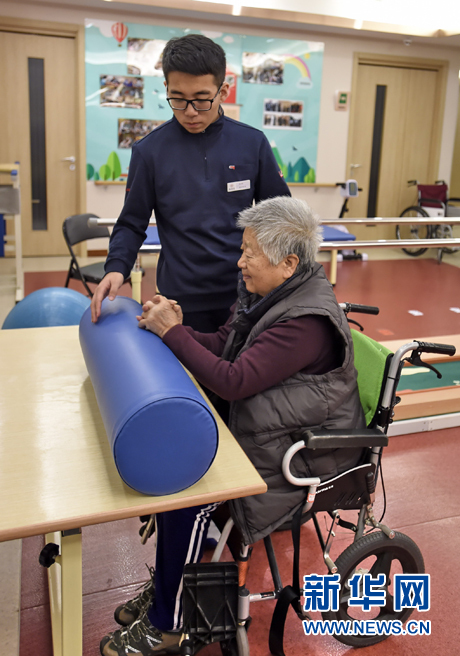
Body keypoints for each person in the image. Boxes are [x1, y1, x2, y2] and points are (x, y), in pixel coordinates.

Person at [100, 196, 365, 656]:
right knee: (174, 475)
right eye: (241, 248)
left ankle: (170, 621)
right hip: (266, 431)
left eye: (249, 253)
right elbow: (224, 346)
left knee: (187, 497)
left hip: (302, 452)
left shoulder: (304, 321)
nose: (239, 261)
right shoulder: (268, 295)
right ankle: (170, 590)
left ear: (287, 263)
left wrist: (172, 334)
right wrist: (178, 327)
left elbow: (235, 380)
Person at [90, 33, 290, 332]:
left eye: (201, 99)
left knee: (239, 373)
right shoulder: (149, 151)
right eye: (178, 99)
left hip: (245, 291)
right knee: (188, 375)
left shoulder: (252, 143)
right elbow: (132, 222)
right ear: (166, 88)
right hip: (180, 297)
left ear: (223, 91)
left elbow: (280, 216)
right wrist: (116, 268)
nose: (190, 112)